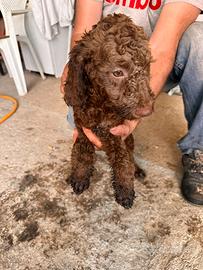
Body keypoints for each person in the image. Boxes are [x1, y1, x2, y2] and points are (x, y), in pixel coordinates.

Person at [60, 0, 203, 205]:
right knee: (85, 133)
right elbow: (82, 34)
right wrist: (75, 83)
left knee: (200, 39)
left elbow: (161, 50)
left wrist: (134, 113)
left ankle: (199, 147)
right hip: (106, 64)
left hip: (155, 60)